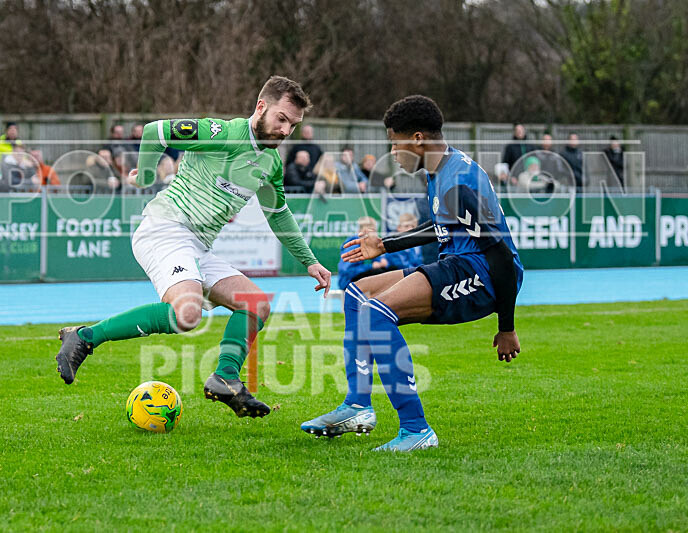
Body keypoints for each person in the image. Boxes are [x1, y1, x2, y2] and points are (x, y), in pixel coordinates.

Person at [54, 76, 332, 420]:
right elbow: (156, 131)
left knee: (256, 305)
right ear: (261, 107)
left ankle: (225, 379)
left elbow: (278, 214)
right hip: (165, 228)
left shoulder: (271, 163)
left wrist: (310, 262)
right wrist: (144, 175)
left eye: (294, 124)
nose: (287, 131)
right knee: (187, 314)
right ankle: (84, 337)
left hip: (197, 245)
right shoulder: (223, 133)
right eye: (281, 119)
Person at [301, 95, 523, 452]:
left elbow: (499, 253)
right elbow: (439, 227)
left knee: (376, 313)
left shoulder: (461, 181)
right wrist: (385, 245)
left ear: (417, 138)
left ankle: (417, 430)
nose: (393, 152)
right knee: (359, 295)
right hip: (457, 264)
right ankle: (357, 406)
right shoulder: (442, 170)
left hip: (482, 273)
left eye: (394, 142)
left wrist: (507, 326)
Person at [337, 217, 404, 290]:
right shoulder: (353, 245)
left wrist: (382, 261)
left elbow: (380, 261)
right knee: (379, 273)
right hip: (348, 281)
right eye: (368, 231)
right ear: (360, 231)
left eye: (374, 231)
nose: (372, 234)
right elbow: (348, 271)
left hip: (363, 275)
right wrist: (371, 266)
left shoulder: (371, 244)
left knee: (392, 270)